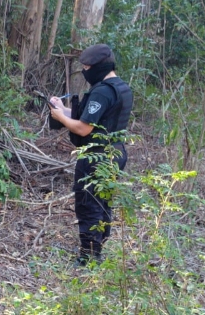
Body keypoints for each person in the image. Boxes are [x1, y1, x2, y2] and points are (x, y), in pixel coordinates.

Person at [48, 44, 133, 266]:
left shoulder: (102, 91)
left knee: (89, 205)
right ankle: (97, 248)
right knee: (103, 202)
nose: (85, 71)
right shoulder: (121, 87)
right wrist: (62, 109)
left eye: (87, 67)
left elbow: (84, 128)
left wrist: (61, 118)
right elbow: (89, 118)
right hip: (116, 152)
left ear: (100, 66)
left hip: (97, 156)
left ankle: (89, 256)